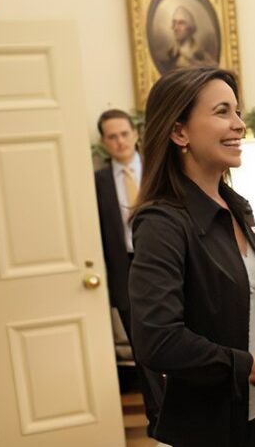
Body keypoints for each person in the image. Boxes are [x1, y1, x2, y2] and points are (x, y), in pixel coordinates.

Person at [128, 67, 255, 447]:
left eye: (238, 112)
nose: (239, 124)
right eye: (222, 112)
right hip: (215, 425)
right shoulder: (162, 222)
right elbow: (157, 340)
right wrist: (246, 366)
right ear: (179, 132)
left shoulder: (238, 207)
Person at [93, 109, 164, 437]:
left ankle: (188, 409)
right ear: (105, 142)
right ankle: (158, 417)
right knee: (142, 348)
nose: (119, 141)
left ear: (135, 134)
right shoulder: (100, 182)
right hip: (125, 270)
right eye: (112, 136)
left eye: (124, 133)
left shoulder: (158, 169)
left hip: (164, 264)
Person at [164, 6, 218, 72]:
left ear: (190, 27)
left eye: (181, 23)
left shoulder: (200, 55)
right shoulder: (170, 55)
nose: (176, 28)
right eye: (174, 23)